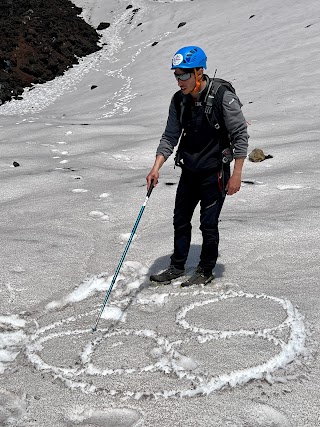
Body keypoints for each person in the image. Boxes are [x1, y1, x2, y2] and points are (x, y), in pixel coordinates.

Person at [146, 46, 248, 287]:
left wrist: (237, 175)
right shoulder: (179, 101)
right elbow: (170, 136)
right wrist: (156, 167)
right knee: (180, 220)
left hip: (215, 173)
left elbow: (240, 135)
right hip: (190, 171)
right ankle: (177, 265)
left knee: (208, 224)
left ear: (198, 72)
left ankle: (205, 268)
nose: (179, 81)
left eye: (184, 75)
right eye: (176, 75)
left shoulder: (223, 97)